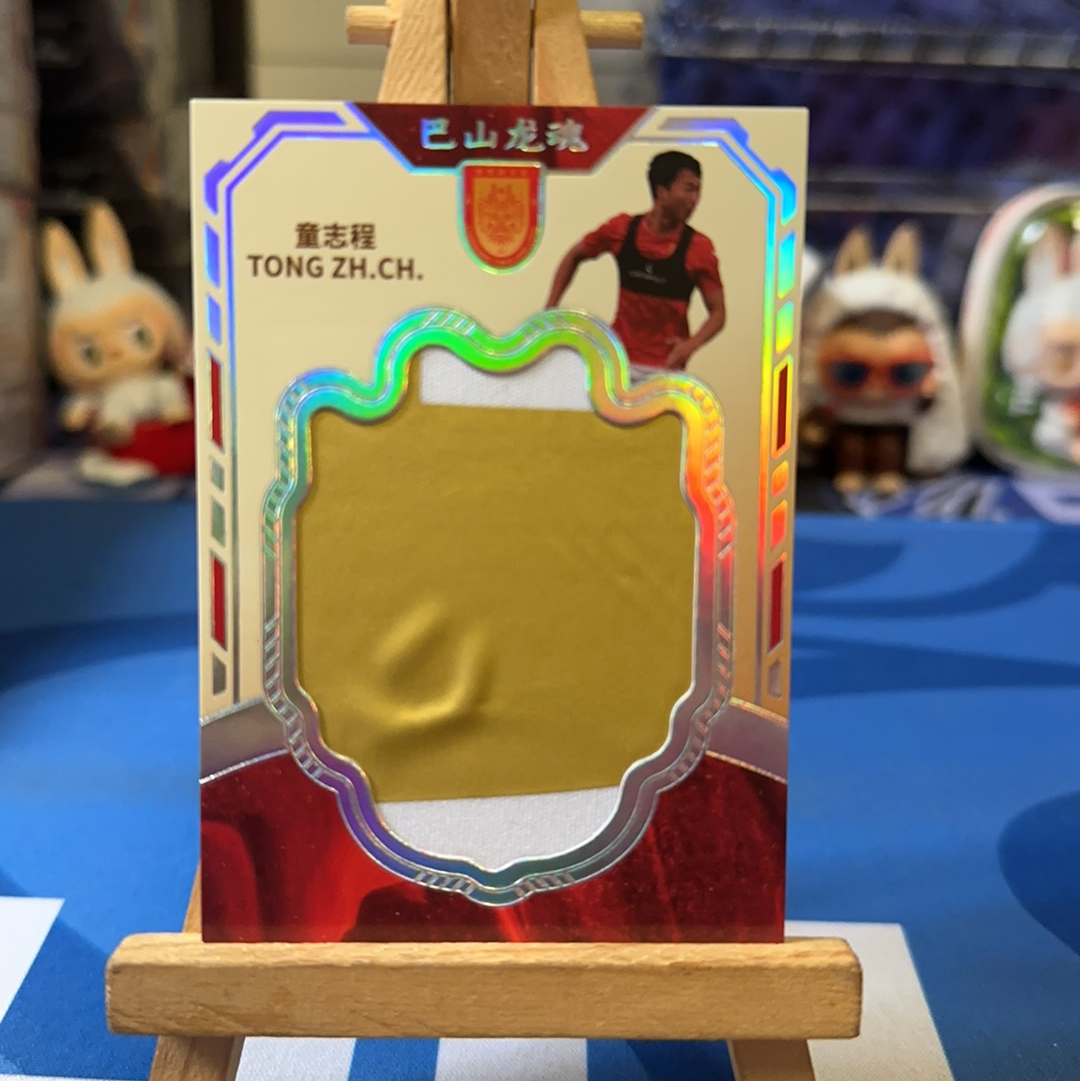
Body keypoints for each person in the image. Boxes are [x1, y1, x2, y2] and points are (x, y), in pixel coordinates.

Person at [545, 150, 726, 374]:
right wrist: (549, 312)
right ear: (661, 191)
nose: (694, 200)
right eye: (688, 189)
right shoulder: (621, 230)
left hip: (665, 368)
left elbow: (718, 313)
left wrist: (690, 345)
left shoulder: (699, 248)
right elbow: (574, 256)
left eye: (698, 191)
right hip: (618, 362)